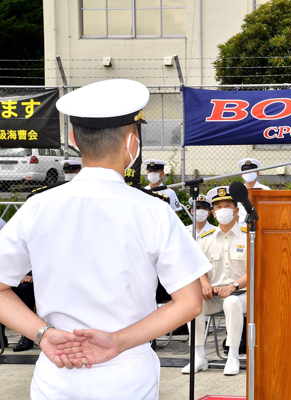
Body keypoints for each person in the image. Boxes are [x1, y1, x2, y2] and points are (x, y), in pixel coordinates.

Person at [0, 79, 211, 399]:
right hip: (128, 371)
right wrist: (118, 342)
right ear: (132, 142)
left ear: (73, 138)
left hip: (58, 370)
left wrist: (42, 334)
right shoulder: (153, 212)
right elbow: (190, 302)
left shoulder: (36, 208)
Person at [182, 186, 248, 377]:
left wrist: (234, 286)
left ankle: (233, 355)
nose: (223, 210)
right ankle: (199, 356)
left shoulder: (247, 235)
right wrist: (204, 284)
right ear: (213, 212)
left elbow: (255, 270)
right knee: (192, 304)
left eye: (228, 206)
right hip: (215, 294)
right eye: (218, 207)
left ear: (236, 211)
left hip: (242, 294)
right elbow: (199, 268)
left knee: (232, 301)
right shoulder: (205, 239)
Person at [237, 158, 270, 224]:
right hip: (241, 227)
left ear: (257, 174)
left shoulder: (265, 190)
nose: (248, 174)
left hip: (260, 225)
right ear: (242, 175)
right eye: (246, 171)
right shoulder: (237, 191)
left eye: (251, 171)